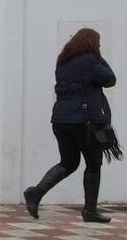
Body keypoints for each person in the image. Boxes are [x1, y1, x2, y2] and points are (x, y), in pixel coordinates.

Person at [23, 28, 117, 223]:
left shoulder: (63, 61)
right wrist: (99, 57)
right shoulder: (90, 61)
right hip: (84, 122)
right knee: (93, 164)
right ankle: (90, 211)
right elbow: (110, 79)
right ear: (92, 45)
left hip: (61, 121)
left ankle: (36, 192)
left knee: (68, 162)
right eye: (97, 44)